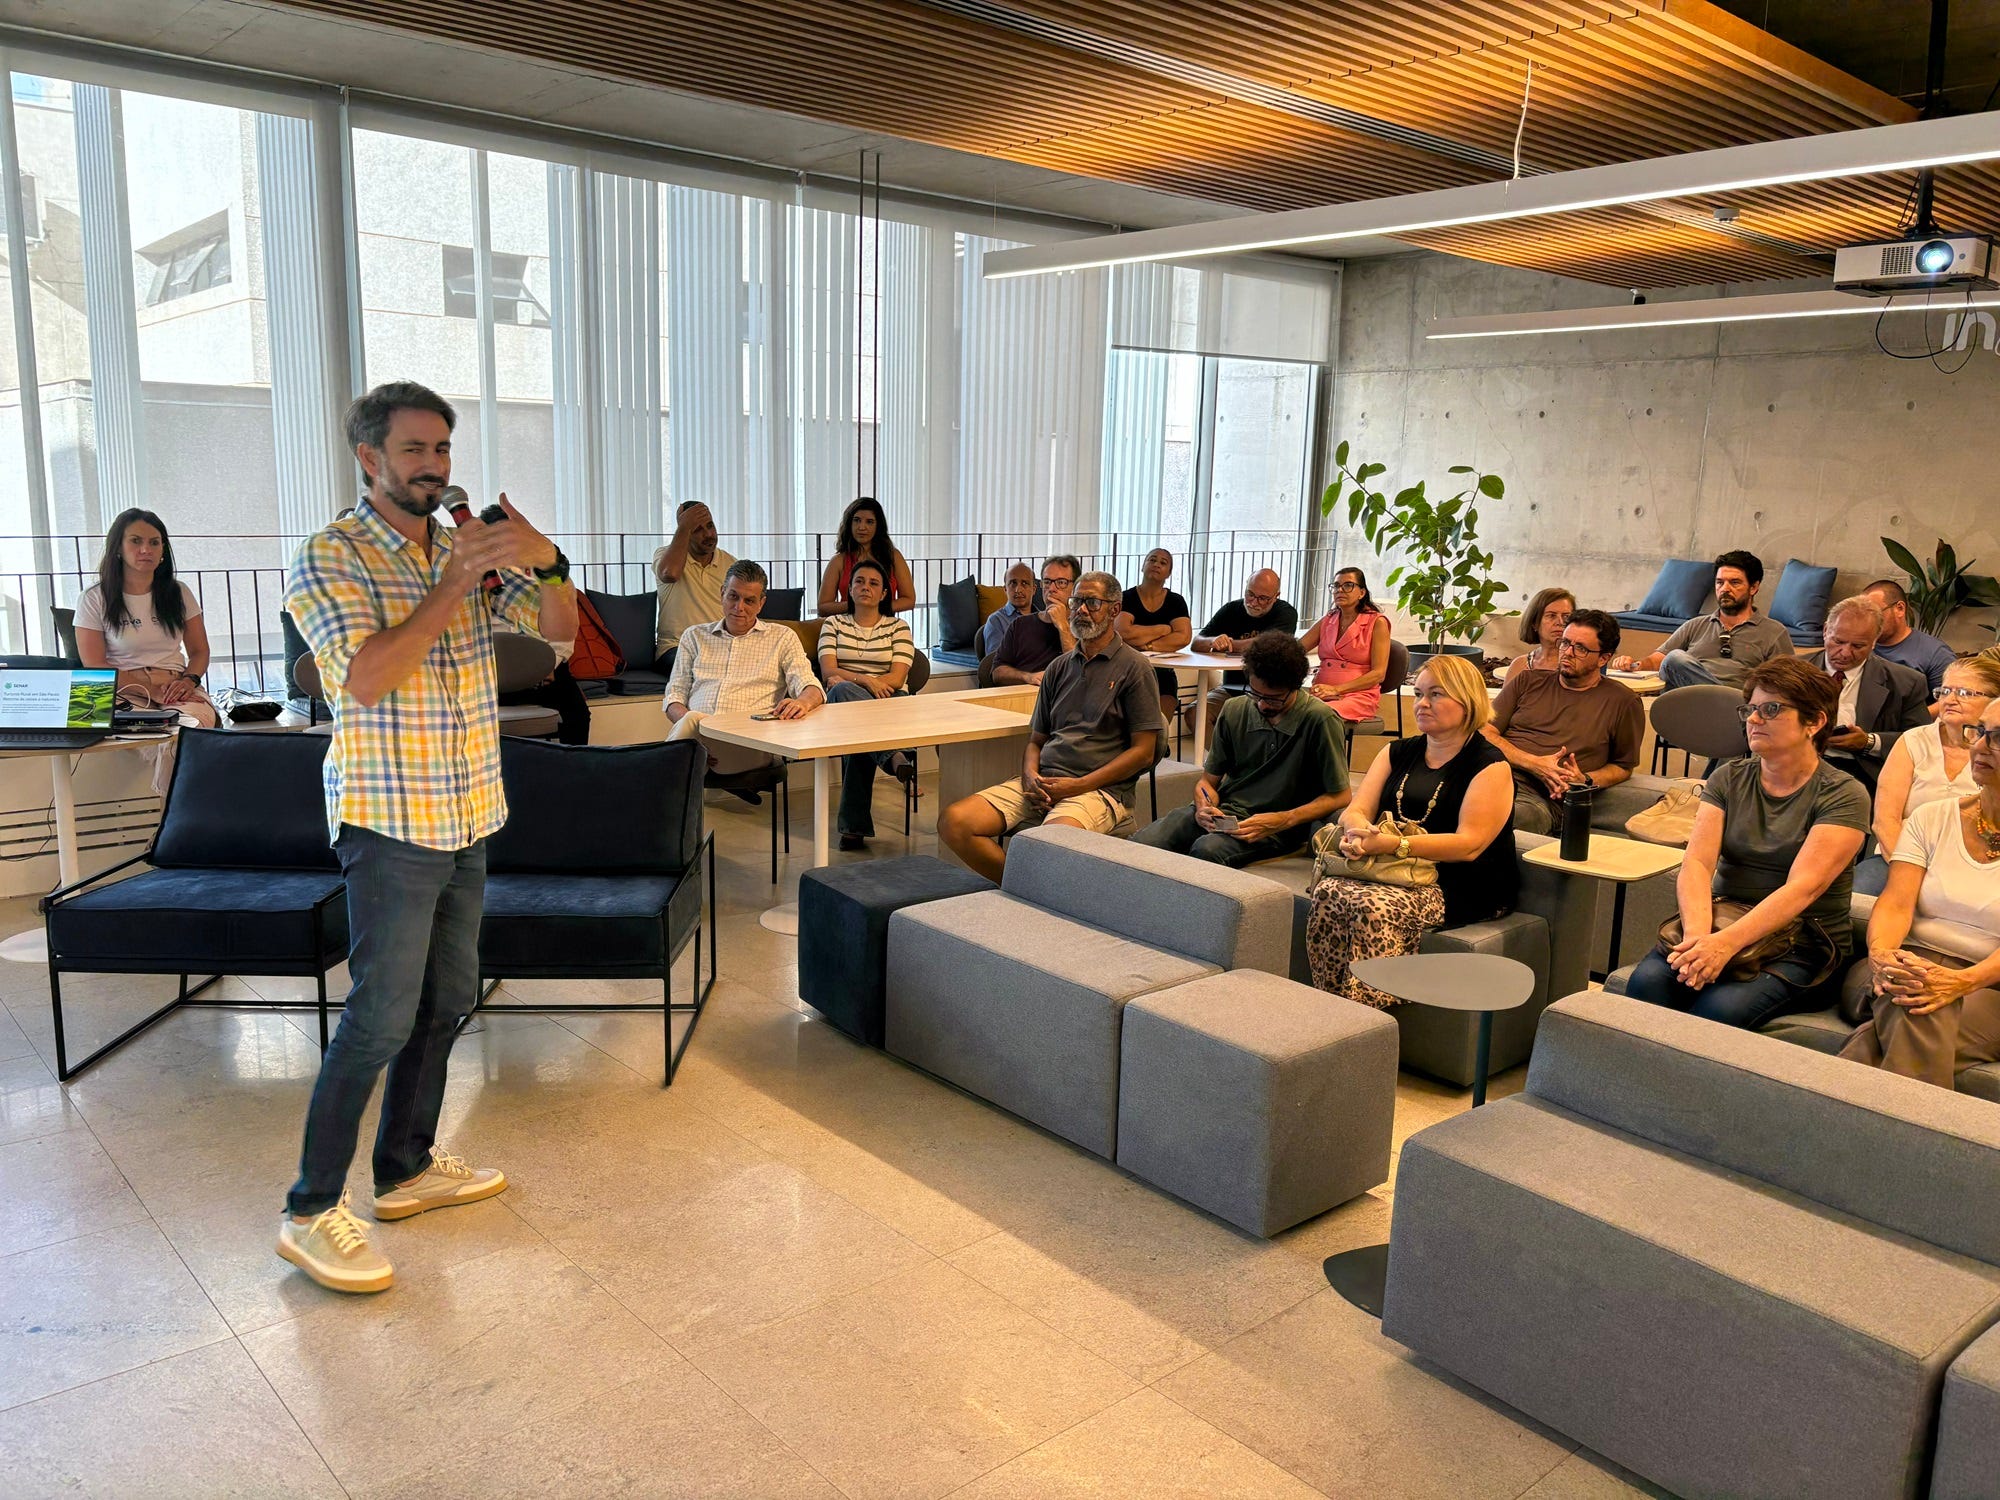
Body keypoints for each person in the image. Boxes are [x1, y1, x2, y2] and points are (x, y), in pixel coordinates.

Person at [279, 381, 577, 1294]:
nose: (434, 466)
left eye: (442, 448)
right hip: (390, 819)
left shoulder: (460, 544)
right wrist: (452, 586)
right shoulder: (330, 555)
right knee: (379, 1016)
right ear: (369, 458)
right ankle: (308, 1211)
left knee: (448, 999)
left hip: (468, 809)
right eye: (414, 450)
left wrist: (549, 561)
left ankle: (404, 1169)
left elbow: (560, 636)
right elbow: (365, 677)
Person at [1625, 657, 1869, 1029]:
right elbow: (1697, 864)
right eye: (1750, 709)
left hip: (1803, 944)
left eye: (1771, 709)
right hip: (1723, 919)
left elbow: (1802, 889)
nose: (1754, 719)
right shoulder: (1728, 778)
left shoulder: (1844, 793)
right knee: (1647, 985)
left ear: (1815, 722)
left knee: (1719, 1011)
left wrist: (1724, 945)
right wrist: (1699, 938)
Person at [1305, 655, 1516, 1009]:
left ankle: (1370, 1016)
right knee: (1328, 891)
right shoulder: (1396, 752)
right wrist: (1357, 832)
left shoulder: (1489, 765)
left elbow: (1469, 845)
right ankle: (1331, 1008)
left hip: (1461, 883)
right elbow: (1356, 809)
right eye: (1418, 694)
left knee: (1373, 905)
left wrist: (1393, 844)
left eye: (1436, 694)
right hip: (1393, 871)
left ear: (1467, 701)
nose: (1422, 704)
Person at [939, 570, 1162, 881]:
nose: (1081, 610)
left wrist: (1079, 786)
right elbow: (1036, 740)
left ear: (1114, 609)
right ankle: (1026, 887)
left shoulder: (1135, 668)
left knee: (1044, 848)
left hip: (1098, 790)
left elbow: (1144, 752)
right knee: (954, 822)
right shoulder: (1058, 668)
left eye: (1092, 602)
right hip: (1044, 783)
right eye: (1076, 601)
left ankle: (1032, 890)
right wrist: (1030, 775)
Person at [1840, 697, 2000, 1090]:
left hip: (1988, 984)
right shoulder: (1931, 818)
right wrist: (1882, 954)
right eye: (1979, 731)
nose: (1980, 745)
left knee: (1903, 1020)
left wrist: (1961, 981)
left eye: (1998, 738)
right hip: (1900, 962)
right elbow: (1895, 903)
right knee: (1915, 995)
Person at [1132, 633, 1347, 867]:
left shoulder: (1320, 720)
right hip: (1228, 812)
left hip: (1280, 827)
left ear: (1295, 687)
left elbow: (1341, 795)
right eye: (1255, 694)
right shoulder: (1234, 709)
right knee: (1144, 842)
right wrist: (1204, 804)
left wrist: (1284, 819)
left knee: (1207, 849)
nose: (1262, 704)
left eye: (1274, 699)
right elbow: (1207, 782)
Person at [1483, 608, 1644, 836]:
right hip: (1489, 774)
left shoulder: (1624, 702)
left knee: (1510, 817)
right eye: (1565, 643)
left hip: (1541, 798)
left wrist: (1585, 779)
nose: (1567, 653)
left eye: (1580, 648)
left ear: (1604, 658)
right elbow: (1484, 732)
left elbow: (1623, 767)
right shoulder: (1528, 681)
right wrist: (1534, 763)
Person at [1856, 654, 2000, 895]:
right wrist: (1910, 869)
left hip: (1975, 865)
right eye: (1945, 691)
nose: (1950, 700)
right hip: (1898, 856)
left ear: (1995, 701)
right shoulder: (1913, 741)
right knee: (1858, 894)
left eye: (1964, 693)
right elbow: (1885, 821)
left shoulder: (1993, 752)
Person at [664, 559, 823, 777]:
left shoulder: (782, 637)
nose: (739, 607)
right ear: (722, 593)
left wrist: (802, 703)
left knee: (676, 752)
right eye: (733, 596)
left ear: (761, 603)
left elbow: (811, 686)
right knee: (692, 721)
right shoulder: (694, 636)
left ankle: (657, 775)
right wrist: (697, 732)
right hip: (698, 739)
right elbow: (674, 696)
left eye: (749, 601)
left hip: (751, 743)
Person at [74, 508, 218, 728]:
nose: (146, 549)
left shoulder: (180, 592)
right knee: (120, 734)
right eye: (136, 541)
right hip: (117, 686)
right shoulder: (93, 598)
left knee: (190, 731)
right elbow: (94, 664)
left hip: (174, 685)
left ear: (163, 550)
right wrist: (150, 691)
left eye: (154, 542)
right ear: (118, 547)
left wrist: (189, 681)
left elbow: (200, 651)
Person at [819, 558, 917, 851]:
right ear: (849, 589)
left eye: (874, 583)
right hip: (847, 703)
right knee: (842, 692)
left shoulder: (898, 627)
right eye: (859, 581)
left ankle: (854, 829)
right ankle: (893, 756)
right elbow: (828, 672)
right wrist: (866, 681)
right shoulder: (833, 624)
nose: (866, 587)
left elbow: (897, 678)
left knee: (858, 736)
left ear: (884, 593)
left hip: (891, 702)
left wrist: (862, 683)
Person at [1612, 550, 1792, 688]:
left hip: (1736, 706)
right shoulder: (1696, 625)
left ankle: (1718, 698)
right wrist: (1635, 665)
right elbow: (1657, 661)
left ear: (1753, 587)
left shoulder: (1773, 632)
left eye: (1734, 582)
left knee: (1676, 659)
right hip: (1690, 703)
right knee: (1674, 660)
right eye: (1720, 582)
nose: (1725, 589)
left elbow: (1785, 683)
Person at [1812, 594, 1930, 796]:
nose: (1845, 653)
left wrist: (1869, 742)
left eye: (1858, 646)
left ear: (1874, 642)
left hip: (1865, 776)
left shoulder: (1906, 683)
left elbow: (1921, 740)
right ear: (1825, 631)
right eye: (1838, 641)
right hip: (1795, 767)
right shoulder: (1790, 671)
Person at [1191, 568, 1298, 716]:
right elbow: (1196, 642)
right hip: (1231, 688)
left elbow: (1266, 644)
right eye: (1250, 594)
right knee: (1195, 713)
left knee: (1255, 716)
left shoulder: (1286, 613)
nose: (1253, 602)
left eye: (1262, 598)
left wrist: (1227, 645)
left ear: (1276, 597)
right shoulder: (1231, 609)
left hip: (1269, 692)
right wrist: (1212, 641)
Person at [653, 501, 735, 674]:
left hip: (720, 646)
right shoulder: (665, 556)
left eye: (710, 526)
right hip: (676, 647)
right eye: (697, 529)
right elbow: (670, 574)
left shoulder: (730, 563)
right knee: (707, 667)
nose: (709, 534)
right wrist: (684, 527)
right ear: (684, 532)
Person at [1301, 567, 1391, 724]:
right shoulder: (1328, 619)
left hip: (1357, 696)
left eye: (1348, 585)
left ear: (1361, 593)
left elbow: (1379, 674)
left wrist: (1336, 689)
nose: (1340, 590)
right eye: (1336, 586)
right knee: (1289, 709)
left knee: (1317, 714)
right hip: (1321, 693)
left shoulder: (1377, 622)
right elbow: (1296, 649)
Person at [1116, 546, 1193, 721]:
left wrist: (1146, 645)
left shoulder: (1176, 601)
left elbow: (1183, 637)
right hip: (1128, 669)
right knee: (1131, 723)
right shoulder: (1126, 597)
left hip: (1163, 673)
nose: (1156, 564)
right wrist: (1163, 629)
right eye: (1152, 560)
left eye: (1163, 563)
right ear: (1142, 566)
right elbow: (1123, 632)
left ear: (1169, 573)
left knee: (1160, 725)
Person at [817, 496, 916, 617]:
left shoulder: (894, 556)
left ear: (878, 526)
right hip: (848, 624)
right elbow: (823, 607)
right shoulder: (838, 561)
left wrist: (875, 607)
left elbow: (909, 600)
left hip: (885, 624)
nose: (861, 527)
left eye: (869, 522)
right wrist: (857, 605)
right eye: (857, 520)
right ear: (849, 523)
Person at [990, 554, 1080, 687]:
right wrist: (1027, 677)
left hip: (1066, 695)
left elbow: (1079, 674)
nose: (1051, 589)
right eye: (1047, 582)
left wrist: (1063, 627)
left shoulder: (1084, 625)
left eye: (1061, 582)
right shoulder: (1020, 624)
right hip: (1026, 694)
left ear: (1075, 588)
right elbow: (997, 673)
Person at [1863, 578, 1957, 694]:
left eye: (1874, 613)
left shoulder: (1936, 654)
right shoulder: (1856, 645)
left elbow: (1949, 698)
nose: (1867, 621)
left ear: (1900, 609)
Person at [1504, 587, 1575, 682]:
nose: (1560, 622)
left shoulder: (1581, 665)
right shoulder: (1520, 666)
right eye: (1551, 616)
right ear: (1534, 622)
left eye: (1566, 616)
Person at [979, 563, 1038, 658]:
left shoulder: (1043, 619)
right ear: (1005, 589)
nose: (1018, 590)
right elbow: (995, 662)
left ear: (1034, 589)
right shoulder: (996, 621)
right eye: (1013, 583)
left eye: (1024, 583)